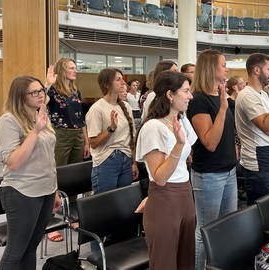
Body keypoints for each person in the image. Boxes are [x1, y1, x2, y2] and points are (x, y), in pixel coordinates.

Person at [0, 76, 62, 269]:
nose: (41, 95)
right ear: (20, 96)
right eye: (34, 92)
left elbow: (50, 157)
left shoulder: (39, 115)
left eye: (41, 90)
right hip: (21, 191)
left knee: (31, 246)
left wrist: (55, 190)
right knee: (16, 251)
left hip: (46, 190)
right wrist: (35, 131)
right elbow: (13, 162)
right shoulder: (8, 121)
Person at [136, 71, 196, 270]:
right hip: (166, 197)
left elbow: (186, 158)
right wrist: (178, 146)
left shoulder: (181, 120)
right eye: (186, 91)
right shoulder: (153, 127)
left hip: (184, 194)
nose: (191, 96)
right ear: (170, 95)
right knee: (165, 263)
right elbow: (160, 178)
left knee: (185, 260)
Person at [186, 49, 237, 270]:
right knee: (206, 229)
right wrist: (224, 108)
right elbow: (210, 142)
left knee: (226, 227)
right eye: (223, 65)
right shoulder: (198, 100)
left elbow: (228, 134)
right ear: (211, 69)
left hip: (229, 172)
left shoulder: (220, 96)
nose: (227, 68)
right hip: (209, 175)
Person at [235, 53, 269, 205]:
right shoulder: (247, 95)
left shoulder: (264, 95)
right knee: (260, 211)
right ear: (256, 70)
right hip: (258, 160)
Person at [45, 57, 90, 242]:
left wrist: (86, 141)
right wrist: (48, 83)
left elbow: (81, 117)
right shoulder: (53, 91)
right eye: (72, 68)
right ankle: (49, 222)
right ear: (63, 70)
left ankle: (69, 216)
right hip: (60, 134)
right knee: (56, 177)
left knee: (73, 179)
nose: (75, 70)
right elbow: (42, 102)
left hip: (77, 134)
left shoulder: (75, 91)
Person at [86, 68, 138, 195]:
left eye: (123, 79)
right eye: (118, 80)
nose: (123, 83)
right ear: (106, 84)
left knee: (123, 202)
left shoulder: (125, 106)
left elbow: (131, 137)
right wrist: (111, 129)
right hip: (106, 161)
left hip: (125, 158)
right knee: (105, 205)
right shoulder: (97, 109)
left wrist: (134, 162)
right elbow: (93, 143)